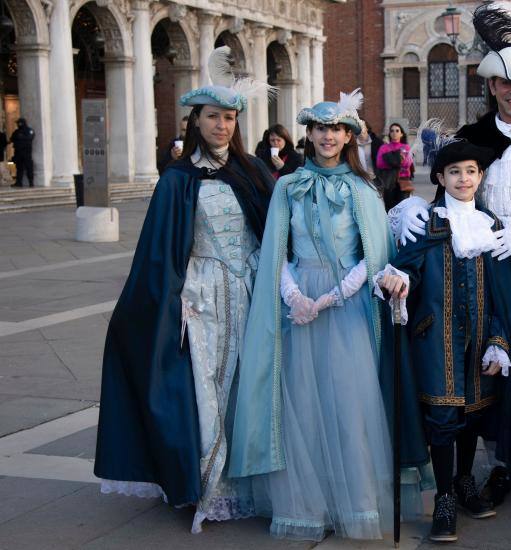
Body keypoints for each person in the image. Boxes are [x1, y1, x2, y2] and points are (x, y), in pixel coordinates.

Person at [392, 1, 511, 507]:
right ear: (492, 86)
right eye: (506, 83)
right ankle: (502, 462)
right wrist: (411, 213)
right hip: (480, 275)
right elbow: (450, 199)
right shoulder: (474, 139)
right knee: (489, 367)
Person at [228, 90, 428, 541]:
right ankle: (307, 504)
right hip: (299, 306)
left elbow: (374, 255)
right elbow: (276, 247)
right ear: (309, 134)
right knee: (302, 404)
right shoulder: (287, 186)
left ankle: (352, 504)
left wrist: (332, 297)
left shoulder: (362, 189)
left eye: (336, 129)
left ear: (349, 135)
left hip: (347, 309)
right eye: (320, 128)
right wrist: (295, 295)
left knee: (348, 404)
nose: (327, 136)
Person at [94, 46, 275, 533]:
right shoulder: (177, 180)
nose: (223, 126)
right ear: (196, 120)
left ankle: (252, 477)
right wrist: (168, 300)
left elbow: (278, 229)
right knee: (208, 386)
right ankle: (209, 484)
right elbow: (159, 251)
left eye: (230, 117)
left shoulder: (254, 171)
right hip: (203, 295)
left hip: (253, 289)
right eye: (214, 117)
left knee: (250, 382)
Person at [377, 139, 511, 542]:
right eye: (455, 172)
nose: (464, 179)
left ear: (480, 176)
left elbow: (501, 293)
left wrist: (499, 339)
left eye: (471, 171)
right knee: (442, 419)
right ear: (440, 178)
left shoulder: (491, 226)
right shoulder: (429, 222)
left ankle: (462, 482)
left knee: (472, 416)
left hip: (479, 342)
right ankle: (444, 497)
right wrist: (398, 280)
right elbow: (408, 269)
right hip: (436, 342)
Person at [376, 122, 415, 210]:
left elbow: (407, 163)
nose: (394, 133)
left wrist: (390, 159)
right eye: (392, 131)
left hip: (403, 181)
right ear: (389, 133)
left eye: (397, 131)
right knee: (389, 207)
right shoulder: (384, 148)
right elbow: (380, 163)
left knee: (402, 207)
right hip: (389, 181)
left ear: (401, 134)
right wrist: (398, 159)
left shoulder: (406, 147)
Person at [10, 118, 35, 187]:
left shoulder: (29, 131)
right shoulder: (16, 132)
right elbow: (12, 139)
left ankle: (31, 182)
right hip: (18, 153)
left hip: (26, 153)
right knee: (19, 168)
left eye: (19, 123)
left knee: (28, 167)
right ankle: (19, 182)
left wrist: (21, 138)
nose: (18, 125)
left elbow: (30, 137)